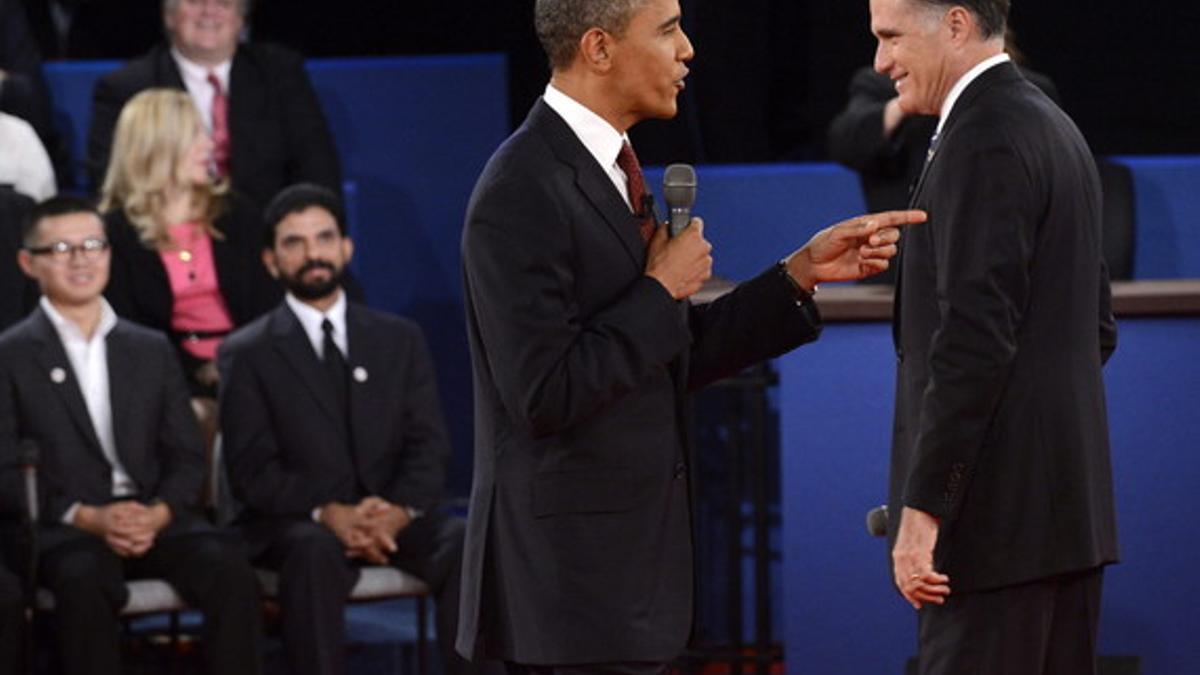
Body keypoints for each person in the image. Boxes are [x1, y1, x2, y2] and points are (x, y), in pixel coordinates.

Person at [456, 0, 925, 670]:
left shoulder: (610, 168)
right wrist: (658, 289)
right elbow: (543, 392)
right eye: (668, 29)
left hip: (630, 589)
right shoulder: (521, 189)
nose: (688, 51)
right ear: (599, 48)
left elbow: (665, 353)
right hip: (571, 601)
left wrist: (799, 274)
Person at [869, 1, 1119, 673]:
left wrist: (923, 509)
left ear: (954, 24)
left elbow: (975, 340)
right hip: (1063, 527)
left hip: (991, 538)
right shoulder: (1052, 124)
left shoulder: (985, 136)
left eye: (891, 38)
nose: (880, 62)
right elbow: (1095, 326)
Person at [219, 183, 480, 675]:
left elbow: (428, 445)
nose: (312, 253)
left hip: (391, 518)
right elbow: (252, 470)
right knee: (312, 551)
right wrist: (328, 512)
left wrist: (398, 512)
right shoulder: (246, 353)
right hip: (298, 523)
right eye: (294, 242)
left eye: (323, 237)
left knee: (464, 541)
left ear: (346, 248)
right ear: (271, 260)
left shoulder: (397, 338)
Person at [0, 195, 262, 675]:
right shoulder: (11, 355)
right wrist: (88, 517)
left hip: (155, 521)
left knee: (227, 565)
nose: (80, 259)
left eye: (92, 244)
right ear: (27, 263)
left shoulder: (148, 348)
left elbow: (186, 456)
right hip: (67, 530)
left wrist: (159, 512)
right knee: (83, 577)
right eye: (61, 248)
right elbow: (6, 469)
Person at [99, 88, 278, 444]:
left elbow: (268, 304)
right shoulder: (115, 232)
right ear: (159, 146)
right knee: (194, 418)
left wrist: (234, 364)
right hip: (167, 373)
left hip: (248, 361)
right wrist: (197, 373)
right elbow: (130, 327)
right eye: (196, 133)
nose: (209, 144)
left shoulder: (237, 214)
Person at [827, 29, 1058, 283]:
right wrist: (907, 101)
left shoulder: (1027, 90)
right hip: (901, 273)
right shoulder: (882, 85)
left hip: (1003, 268)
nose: (883, 58)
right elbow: (845, 141)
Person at [87, 0, 342, 212]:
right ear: (169, 16)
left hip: (265, 236)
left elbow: (318, 167)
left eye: (223, 2)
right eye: (195, 1)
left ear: (241, 18)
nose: (209, 9)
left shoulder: (280, 74)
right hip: (168, 237)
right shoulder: (127, 87)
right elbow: (112, 182)